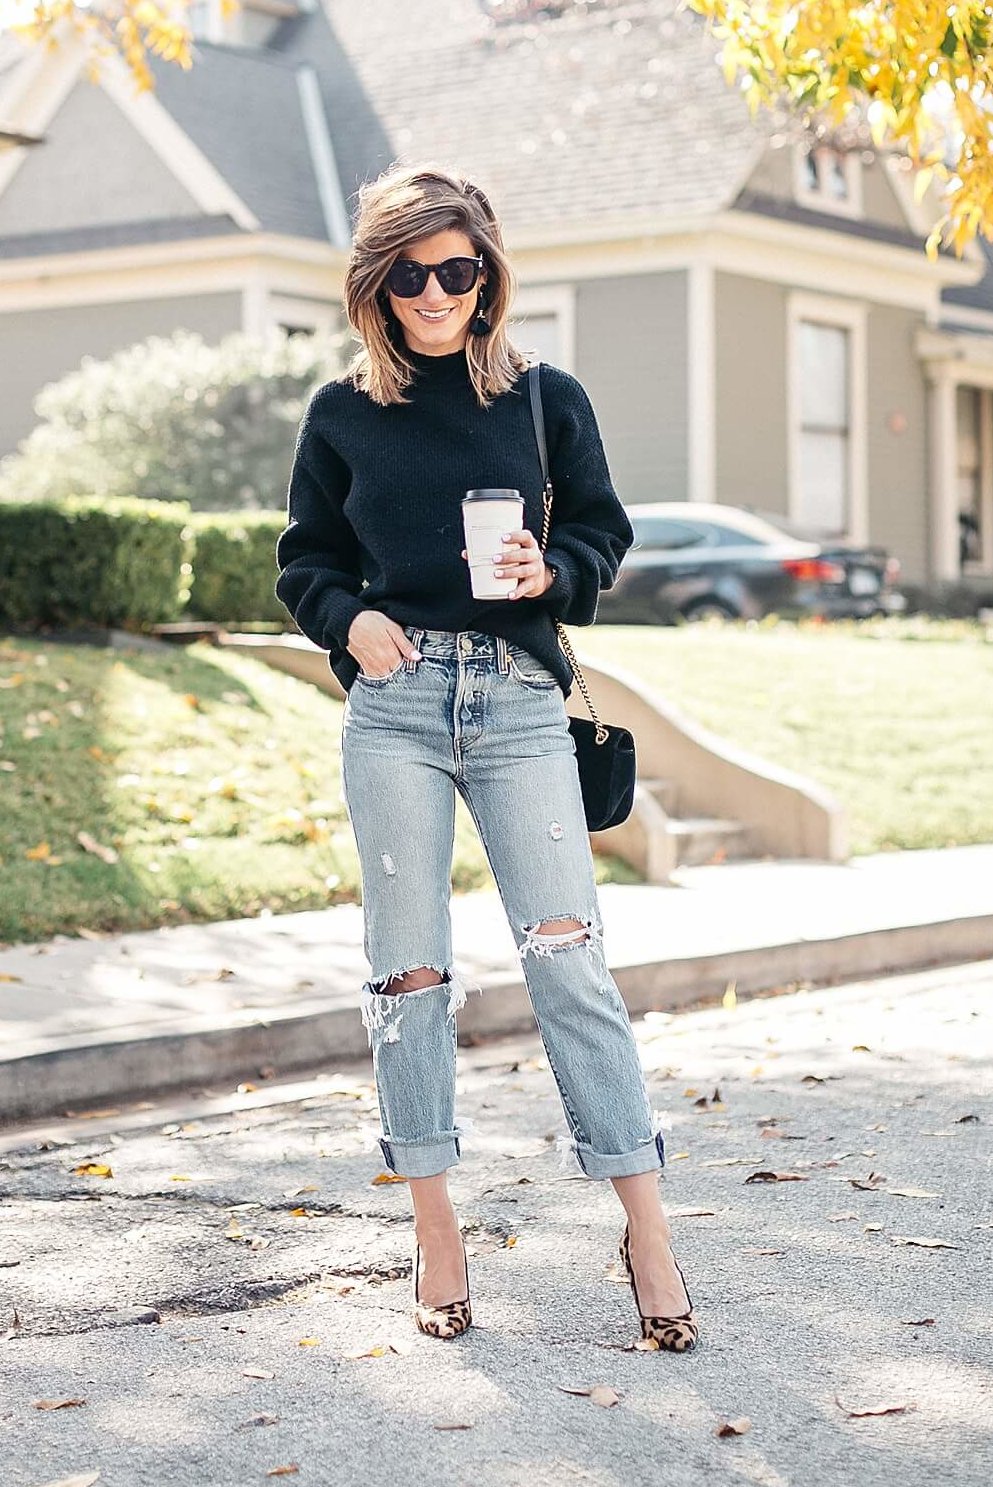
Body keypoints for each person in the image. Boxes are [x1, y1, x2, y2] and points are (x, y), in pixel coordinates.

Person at [274, 162, 699, 1351]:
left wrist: (551, 574)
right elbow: (303, 559)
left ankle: (647, 1226)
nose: (433, 292)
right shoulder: (341, 412)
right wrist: (346, 621)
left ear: (488, 274)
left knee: (570, 961)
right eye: (408, 273)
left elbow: (604, 529)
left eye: (455, 270)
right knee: (410, 978)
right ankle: (436, 1222)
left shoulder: (542, 396)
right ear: (377, 283)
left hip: (517, 701)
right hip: (398, 704)